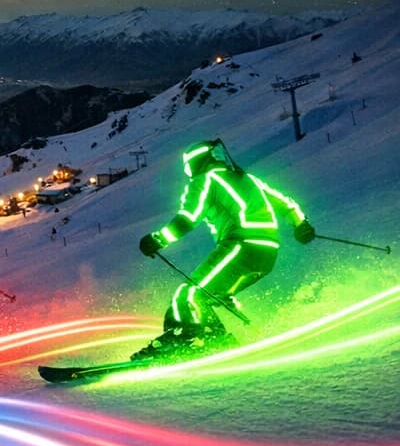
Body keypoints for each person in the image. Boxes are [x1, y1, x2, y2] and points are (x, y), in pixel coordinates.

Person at [134, 138, 314, 361]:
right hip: (267, 253)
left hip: (241, 245)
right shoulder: (245, 178)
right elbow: (286, 204)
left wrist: (157, 239)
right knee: (210, 297)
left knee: (188, 294)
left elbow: (188, 218)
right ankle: (220, 340)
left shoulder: (205, 180)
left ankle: (180, 341)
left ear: (194, 164)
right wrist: (301, 225)